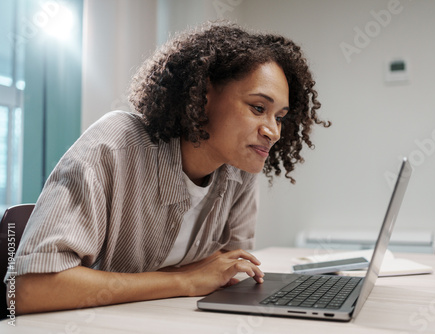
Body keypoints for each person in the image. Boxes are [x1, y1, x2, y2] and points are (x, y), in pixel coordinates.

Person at [7, 22, 330, 314]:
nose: (272, 131)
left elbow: (227, 271)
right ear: (202, 95)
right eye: (258, 108)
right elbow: (30, 290)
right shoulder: (115, 145)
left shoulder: (239, 169)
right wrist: (184, 281)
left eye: (280, 117)